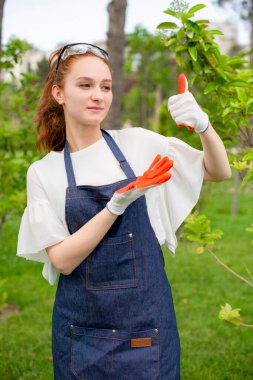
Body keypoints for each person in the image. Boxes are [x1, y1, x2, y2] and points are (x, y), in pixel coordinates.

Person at [17, 42, 231, 380]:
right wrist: (115, 205)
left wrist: (204, 125)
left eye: (105, 87)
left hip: (147, 330)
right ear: (59, 93)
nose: (98, 95)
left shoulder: (137, 144)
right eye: (85, 85)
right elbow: (63, 260)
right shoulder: (44, 172)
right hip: (81, 335)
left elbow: (218, 171)